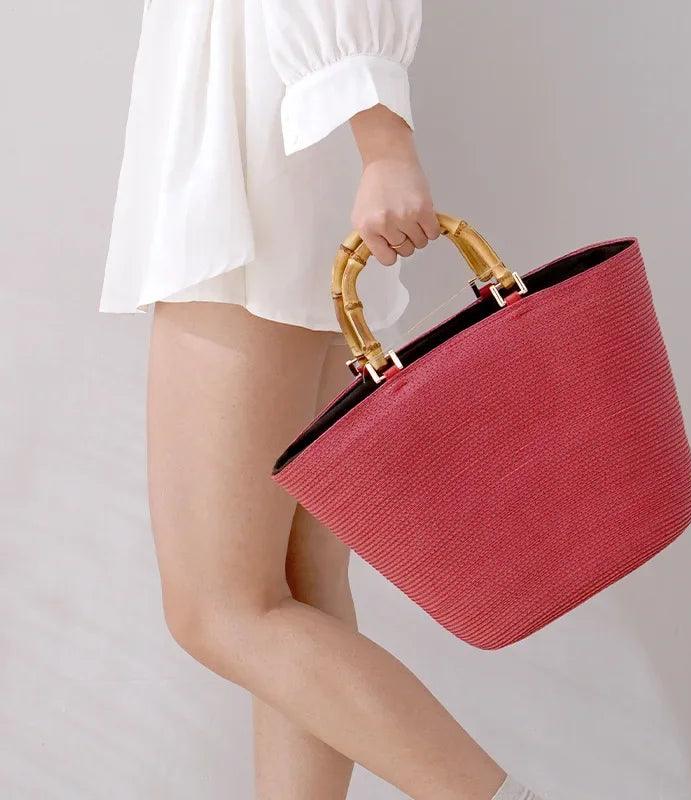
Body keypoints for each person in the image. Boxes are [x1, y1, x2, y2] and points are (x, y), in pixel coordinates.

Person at [100, 2, 541, 798]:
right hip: (276, 156)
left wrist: (385, 142)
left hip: (247, 175)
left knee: (219, 608)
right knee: (294, 586)